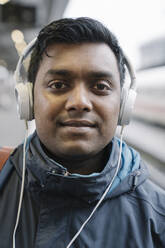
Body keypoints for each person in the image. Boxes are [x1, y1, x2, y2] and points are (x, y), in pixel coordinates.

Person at [0, 17, 165, 248]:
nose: (79, 103)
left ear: (123, 105)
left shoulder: (159, 218)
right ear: (28, 100)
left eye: (100, 87)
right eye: (58, 84)